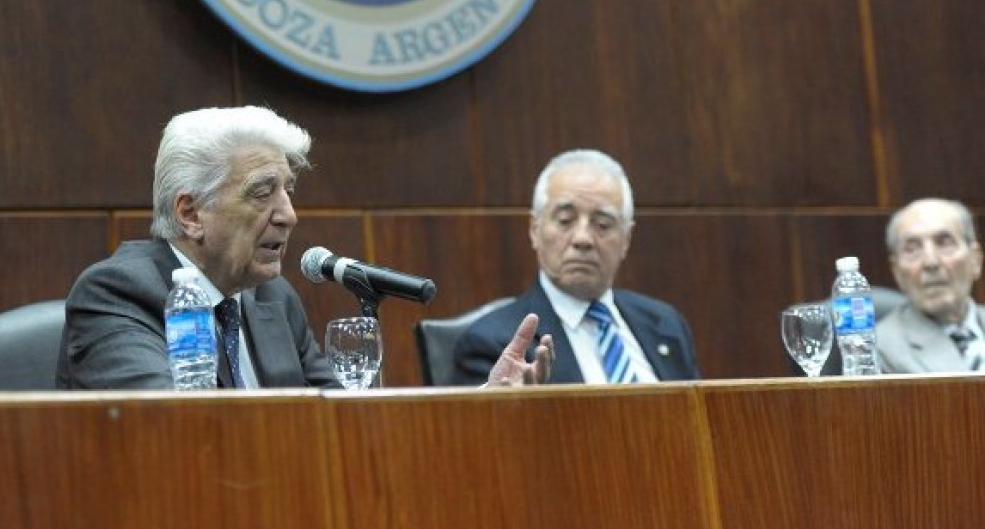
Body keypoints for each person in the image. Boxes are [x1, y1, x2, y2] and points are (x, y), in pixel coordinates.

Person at [57, 105, 553, 389]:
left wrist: (485, 405)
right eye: (261, 192)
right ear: (190, 213)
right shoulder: (117, 294)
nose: (289, 215)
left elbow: (342, 424)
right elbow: (177, 431)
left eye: (288, 190)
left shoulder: (272, 300)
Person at [451, 149, 701, 385]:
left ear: (626, 239)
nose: (583, 239)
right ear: (535, 230)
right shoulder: (491, 344)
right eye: (565, 221)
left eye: (602, 224)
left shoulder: (666, 324)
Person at [877, 198, 984, 374]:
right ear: (897, 271)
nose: (931, 262)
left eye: (944, 242)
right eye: (912, 249)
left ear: (975, 259)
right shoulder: (881, 350)